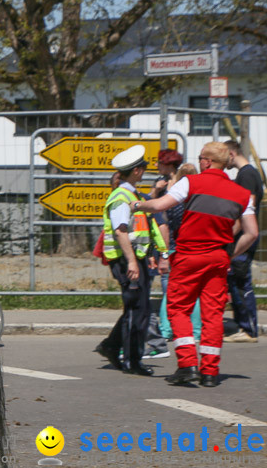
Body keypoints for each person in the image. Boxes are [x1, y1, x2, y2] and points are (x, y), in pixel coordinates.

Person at [134, 141, 259, 387]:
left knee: (178, 308)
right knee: (213, 314)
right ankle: (210, 372)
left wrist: (138, 205)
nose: (200, 161)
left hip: (189, 256)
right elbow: (252, 233)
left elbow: (160, 205)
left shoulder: (191, 182)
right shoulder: (242, 194)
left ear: (207, 161)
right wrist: (231, 254)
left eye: (201, 157)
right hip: (218, 259)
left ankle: (188, 365)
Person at [94, 145, 169, 376]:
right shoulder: (121, 197)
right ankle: (132, 361)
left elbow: (148, 228)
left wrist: (161, 253)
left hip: (136, 259)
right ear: (136, 171)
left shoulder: (133, 195)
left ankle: (111, 346)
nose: (146, 170)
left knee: (138, 308)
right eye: (144, 167)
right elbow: (120, 231)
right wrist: (133, 263)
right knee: (138, 310)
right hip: (128, 261)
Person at [223, 139, 264, 343]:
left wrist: (230, 235)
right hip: (242, 235)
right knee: (236, 280)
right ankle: (243, 326)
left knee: (240, 281)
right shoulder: (246, 174)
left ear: (231, 154)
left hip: (243, 236)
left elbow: (246, 209)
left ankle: (248, 329)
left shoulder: (247, 175)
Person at [158, 162, 202, 344]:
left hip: (176, 247)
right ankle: (196, 330)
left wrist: (164, 252)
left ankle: (166, 329)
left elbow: (165, 225)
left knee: (171, 291)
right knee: (196, 292)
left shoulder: (174, 200)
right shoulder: (199, 200)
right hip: (197, 247)